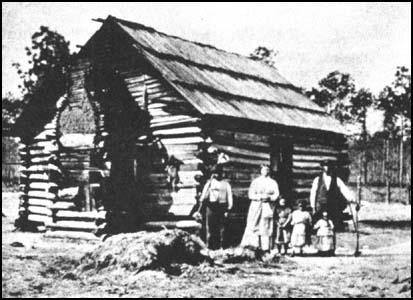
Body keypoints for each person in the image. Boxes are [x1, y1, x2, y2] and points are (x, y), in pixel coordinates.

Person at [240, 164, 280, 252]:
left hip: (267, 206)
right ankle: (253, 245)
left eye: (267, 169)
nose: (265, 171)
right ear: (260, 171)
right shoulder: (256, 182)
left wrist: (269, 198)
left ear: (269, 171)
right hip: (256, 205)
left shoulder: (273, 182)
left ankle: (265, 248)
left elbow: (276, 194)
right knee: (253, 224)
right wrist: (260, 197)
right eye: (263, 169)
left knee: (265, 226)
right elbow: (251, 194)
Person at [310, 160, 354, 230]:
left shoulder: (336, 179)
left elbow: (344, 189)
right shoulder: (317, 180)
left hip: (331, 205)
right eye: (325, 166)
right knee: (320, 221)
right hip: (320, 205)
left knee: (332, 222)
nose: (327, 168)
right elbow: (313, 193)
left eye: (328, 166)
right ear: (322, 167)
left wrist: (351, 199)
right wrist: (313, 206)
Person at [198, 165, 233, 250]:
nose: (217, 175)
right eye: (215, 173)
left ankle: (222, 246)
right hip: (211, 206)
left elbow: (229, 196)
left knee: (222, 227)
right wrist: (203, 197)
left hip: (222, 207)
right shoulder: (209, 183)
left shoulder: (225, 184)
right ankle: (210, 246)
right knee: (211, 227)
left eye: (218, 173)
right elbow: (203, 196)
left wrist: (229, 208)